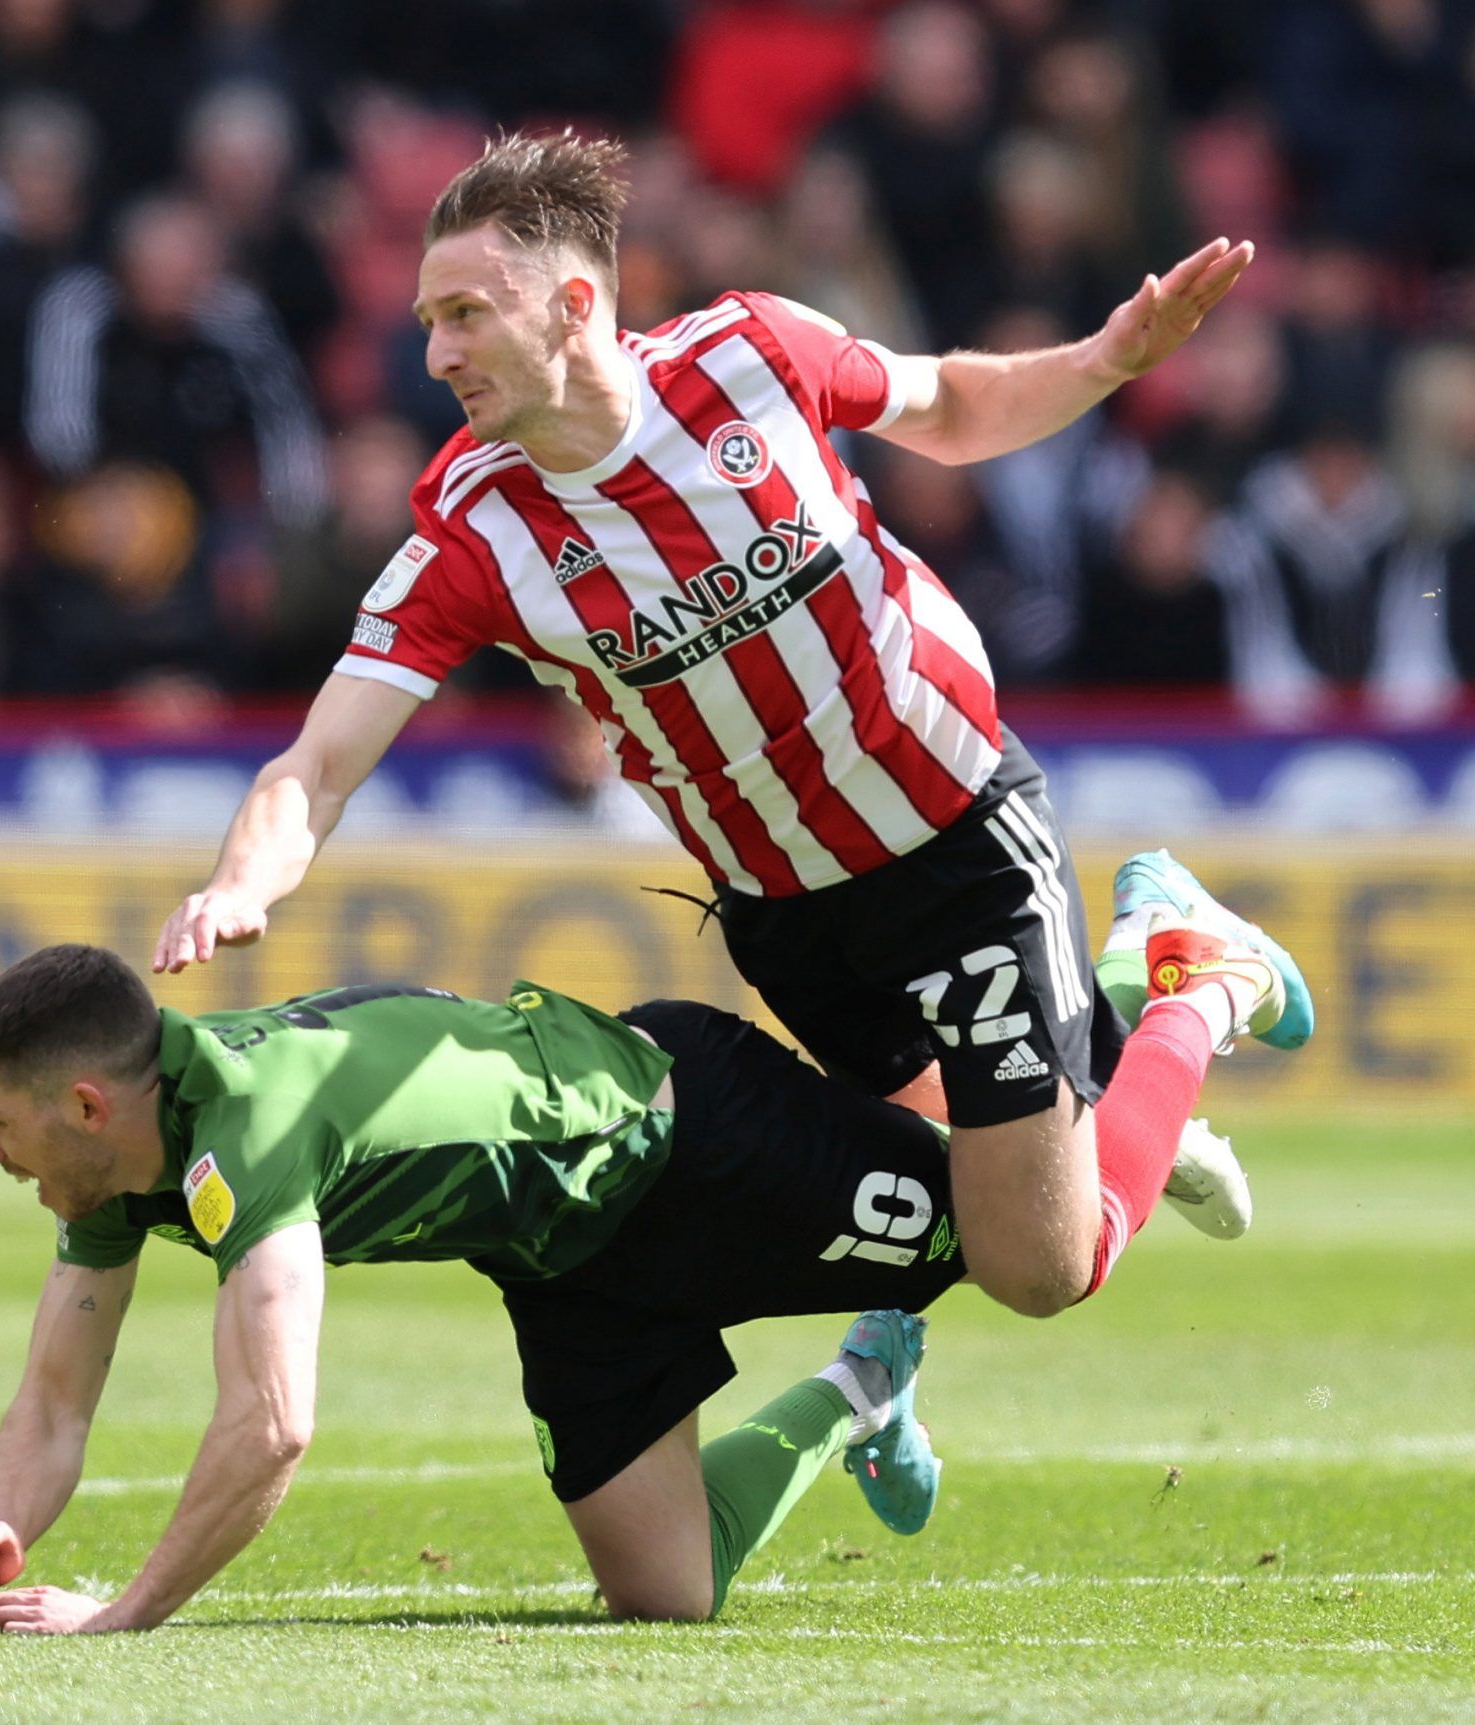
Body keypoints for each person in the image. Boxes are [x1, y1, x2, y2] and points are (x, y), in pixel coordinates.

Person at [153, 131, 1313, 1324]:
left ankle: (1194, 982)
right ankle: (1103, 1036)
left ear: (572, 306)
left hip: (955, 844)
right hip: (787, 913)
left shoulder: (749, 356)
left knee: (1036, 1268)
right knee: (939, 1206)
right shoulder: (472, 533)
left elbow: (950, 405)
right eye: (427, 321)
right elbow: (317, 764)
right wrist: (242, 882)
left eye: (465, 315)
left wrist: (1104, 359)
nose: (437, 353)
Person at [0, 902, 1282, 1632]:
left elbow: (273, 1424)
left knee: (1051, 1245)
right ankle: (868, 1379)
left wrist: (125, 1617)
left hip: (691, 1143)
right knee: (666, 1593)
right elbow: (56, 1398)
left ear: (84, 1104)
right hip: (563, 1262)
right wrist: (3, 1529)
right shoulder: (121, 1162)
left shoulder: (248, 1127)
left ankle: (1181, 983)